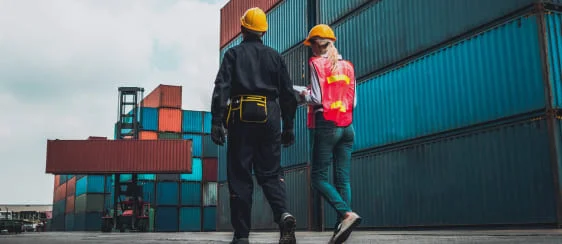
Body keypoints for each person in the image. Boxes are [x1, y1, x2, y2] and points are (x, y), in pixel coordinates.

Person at [210, 7, 299, 244]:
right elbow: (288, 94)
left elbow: (222, 88)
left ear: (242, 29)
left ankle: (241, 236)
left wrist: (217, 121)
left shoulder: (232, 54)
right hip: (270, 115)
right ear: (263, 32)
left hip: (242, 113)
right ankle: (283, 215)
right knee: (270, 172)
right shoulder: (275, 56)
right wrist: (288, 125)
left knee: (240, 175)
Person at [300, 24, 362, 244]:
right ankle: (341, 228)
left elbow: (316, 98)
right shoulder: (348, 66)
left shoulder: (316, 64)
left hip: (327, 125)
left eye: (311, 45)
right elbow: (353, 102)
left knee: (318, 177)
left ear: (316, 44)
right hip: (347, 126)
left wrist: (301, 94)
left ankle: (346, 214)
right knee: (342, 179)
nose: (311, 49)